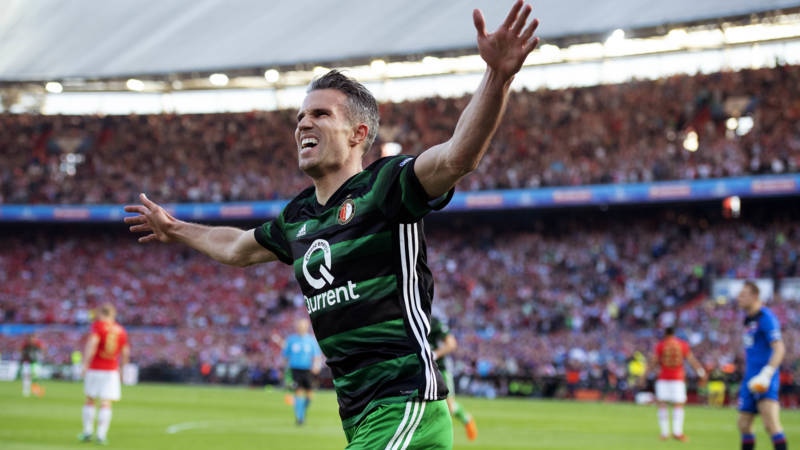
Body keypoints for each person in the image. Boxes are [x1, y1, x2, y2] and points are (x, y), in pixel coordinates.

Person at [124, 2, 540, 447]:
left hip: (405, 404)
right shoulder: (298, 216)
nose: (304, 122)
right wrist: (175, 228)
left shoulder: (385, 186)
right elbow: (238, 247)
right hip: (361, 416)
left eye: (321, 114)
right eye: (301, 116)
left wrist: (497, 77)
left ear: (358, 134)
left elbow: (457, 157)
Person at [736, 281, 788, 450]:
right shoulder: (748, 319)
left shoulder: (766, 318)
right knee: (743, 424)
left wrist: (767, 373)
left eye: (743, 295)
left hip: (764, 378)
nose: (739, 298)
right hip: (749, 378)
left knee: (771, 424)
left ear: (755, 296)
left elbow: (779, 348)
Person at [79, 303, 130, 445]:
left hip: (95, 367)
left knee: (90, 399)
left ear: (102, 313)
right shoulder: (121, 330)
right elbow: (125, 353)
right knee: (106, 402)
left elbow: (92, 344)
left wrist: (85, 363)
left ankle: (87, 432)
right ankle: (101, 435)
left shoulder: (98, 326)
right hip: (111, 370)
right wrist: (122, 369)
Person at [648, 326, 705, 442]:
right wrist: (701, 372)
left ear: (665, 334)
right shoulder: (682, 344)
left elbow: (653, 362)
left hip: (663, 378)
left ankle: (664, 433)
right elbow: (692, 361)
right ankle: (677, 433)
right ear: (674, 333)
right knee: (678, 405)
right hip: (678, 378)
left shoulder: (660, 345)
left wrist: (644, 375)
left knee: (662, 405)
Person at [427, 315, 477, 441]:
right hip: (422, 368)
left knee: (449, 406)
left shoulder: (434, 322)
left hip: (440, 368)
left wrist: (435, 354)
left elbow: (451, 344)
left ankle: (466, 419)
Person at [282, 319, 322, 425]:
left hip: (307, 370)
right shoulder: (291, 340)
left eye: (303, 326)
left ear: (307, 327)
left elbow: (317, 356)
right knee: (298, 392)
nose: (301, 328)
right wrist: (285, 370)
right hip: (295, 370)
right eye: (299, 326)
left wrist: (316, 366)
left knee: (309, 395)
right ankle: (299, 418)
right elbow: (285, 356)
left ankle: (302, 411)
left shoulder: (311, 340)